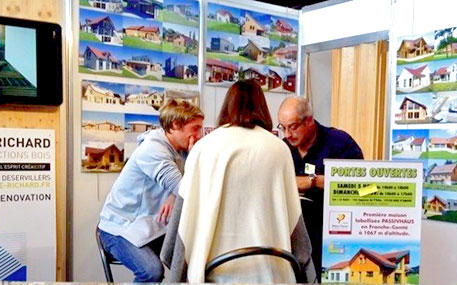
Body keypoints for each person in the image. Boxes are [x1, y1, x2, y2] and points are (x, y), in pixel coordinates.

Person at [161, 79, 316, 283]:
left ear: (227, 105)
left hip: (213, 275)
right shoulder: (279, 149)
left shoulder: (204, 147)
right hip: (271, 275)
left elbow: (176, 238)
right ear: (263, 108)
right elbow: (298, 235)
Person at [97, 99, 204, 282]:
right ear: (176, 125)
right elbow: (186, 189)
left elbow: (181, 187)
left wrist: (172, 195)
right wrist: (193, 160)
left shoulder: (178, 148)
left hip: (148, 225)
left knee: (193, 259)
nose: (199, 135)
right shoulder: (153, 150)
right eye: (195, 128)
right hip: (118, 229)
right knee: (151, 271)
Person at [277, 96, 363, 277]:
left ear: (309, 120)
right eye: (282, 128)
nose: (287, 134)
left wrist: (312, 181)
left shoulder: (340, 143)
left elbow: (359, 186)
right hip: (293, 241)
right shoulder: (283, 149)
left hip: (332, 238)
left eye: (292, 127)